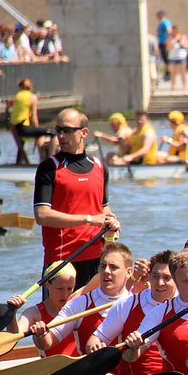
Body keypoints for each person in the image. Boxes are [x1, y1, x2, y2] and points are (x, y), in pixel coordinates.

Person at [33, 108, 120, 288]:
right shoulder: (49, 168)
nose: (61, 136)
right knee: (61, 317)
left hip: (97, 256)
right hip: (62, 260)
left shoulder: (100, 166)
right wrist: (88, 220)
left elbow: (103, 208)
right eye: (59, 130)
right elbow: (42, 215)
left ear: (84, 132)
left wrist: (112, 221)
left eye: (68, 130)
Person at [29, 242, 133, 356]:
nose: (106, 271)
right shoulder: (79, 304)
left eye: (114, 267)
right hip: (94, 371)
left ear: (129, 272)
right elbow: (47, 343)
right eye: (103, 266)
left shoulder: (137, 301)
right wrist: (40, 335)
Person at [84, 250, 175, 375]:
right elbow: (93, 341)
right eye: (155, 276)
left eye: (167, 278)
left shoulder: (185, 305)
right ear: (148, 276)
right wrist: (96, 348)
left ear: (177, 278)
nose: (160, 283)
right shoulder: (126, 304)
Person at [6, 260, 79, 358]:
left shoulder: (79, 306)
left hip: (81, 364)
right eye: (60, 289)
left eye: (70, 289)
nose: (65, 294)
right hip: (51, 368)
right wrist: (12, 313)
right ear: (47, 284)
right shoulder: (34, 313)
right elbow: (13, 338)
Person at [6, 78, 54, 163]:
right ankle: (50, 162)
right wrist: (37, 130)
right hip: (24, 128)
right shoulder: (32, 97)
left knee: (21, 145)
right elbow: (34, 117)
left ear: (20, 87)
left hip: (15, 128)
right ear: (30, 87)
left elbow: (10, 110)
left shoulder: (17, 96)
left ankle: (18, 163)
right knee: (53, 133)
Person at [165, 25, 188, 93]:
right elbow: (168, 47)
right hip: (173, 57)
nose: (175, 31)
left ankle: (184, 87)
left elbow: (187, 45)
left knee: (183, 73)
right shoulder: (170, 38)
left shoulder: (183, 36)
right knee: (173, 73)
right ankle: (173, 88)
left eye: (177, 30)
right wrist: (175, 40)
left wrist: (181, 43)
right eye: (174, 30)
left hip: (181, 56)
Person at [156, 10, 172, 79]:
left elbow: (169, 31)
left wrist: (167, 40)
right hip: (161, 42)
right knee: (163, 58)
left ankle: (169, 72)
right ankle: (167, 72)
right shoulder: (161, 22)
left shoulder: (166, 22)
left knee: (166, 58)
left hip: (164, 42)